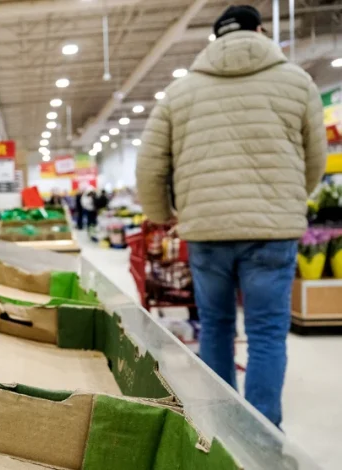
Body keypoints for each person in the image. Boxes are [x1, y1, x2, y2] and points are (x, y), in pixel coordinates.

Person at [136, 5, 327, 427]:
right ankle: (264, 438)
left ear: (216, 40)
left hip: (207, 230)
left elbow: (150, 165)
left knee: (217, 327)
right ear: (260, 31)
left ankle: (224, 432)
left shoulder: (181, 93)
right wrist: (289, 199)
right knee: (265, 334)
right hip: (273, 233)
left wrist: (162, 214)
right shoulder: (297, 82)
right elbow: (316, 159)